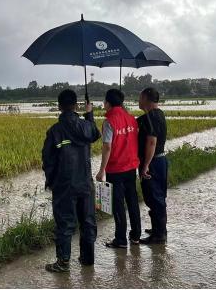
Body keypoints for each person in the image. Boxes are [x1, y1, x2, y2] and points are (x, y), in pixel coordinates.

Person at [42, 89, 101, 272]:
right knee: (88, 221)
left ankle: (63, 263)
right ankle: (87, 258)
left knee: (65, 224)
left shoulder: (55, 131)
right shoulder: (85, 126)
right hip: (85, 183)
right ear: (76, 106)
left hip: (64, 186)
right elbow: (95, 134)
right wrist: (89, 113)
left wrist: (51, 182)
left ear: (59, 106)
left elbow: (48, 161)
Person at [95, 89, 141, 248]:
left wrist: (101, 170)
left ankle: (120, 240)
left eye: (104, 101)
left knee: (118, 204)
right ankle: (135, 236)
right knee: (133, 201)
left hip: (116, 169)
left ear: (108, 103)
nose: (103, 104)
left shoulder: (109, 122)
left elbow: (107, 146)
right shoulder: (131, 119)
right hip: (131, 166)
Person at [137, 87, 168, 244]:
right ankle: (159, 228)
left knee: (154, 197)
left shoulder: (151, 117)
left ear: (146, 98)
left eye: (140, 97)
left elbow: (151, 141)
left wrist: (146, 165)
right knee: (158, 196)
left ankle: (159, 235)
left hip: (153, 161)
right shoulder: (159, 114)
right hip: (160, 160)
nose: (138, 100)